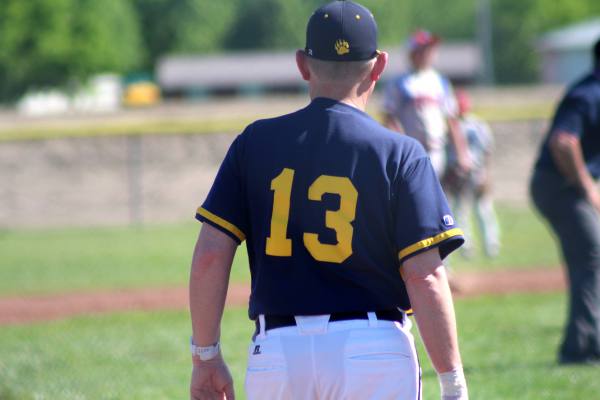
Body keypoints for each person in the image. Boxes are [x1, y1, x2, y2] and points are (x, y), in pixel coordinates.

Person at [189, 1, 469, 399]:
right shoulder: (400, 154)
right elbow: (425, 275)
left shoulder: (254, 143)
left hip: (278, 352)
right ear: (379, 66)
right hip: (374, 349)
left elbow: (211, 255)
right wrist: (453, 382)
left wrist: (205, 356)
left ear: (302, 65)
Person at [530, 37, 600, 365]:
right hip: (557, 187)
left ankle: (588, 341)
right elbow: (563, 141)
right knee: (590, 254)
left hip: (563, 186)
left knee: (589, 258)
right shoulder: (588, 93)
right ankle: (579, 349)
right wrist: (586, 187)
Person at [382, 29, 471, 178]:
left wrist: (462, 154)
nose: (428, 53)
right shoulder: (399, 82)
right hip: (411, 152)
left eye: (430, 49)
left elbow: (451, 120)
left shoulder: (441, 82)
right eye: (422, 50)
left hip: (437, 150)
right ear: (412, 53)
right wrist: (402, 148)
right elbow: (389, 119)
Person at [444, 89, 500, 259]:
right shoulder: (454, 125)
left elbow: (487, 151)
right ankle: (468, 246)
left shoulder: (477, 124)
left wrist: (487, 174)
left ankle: (491, 245)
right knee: (462, 210)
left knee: (480, 209)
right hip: (459, 173)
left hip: (476, 171)